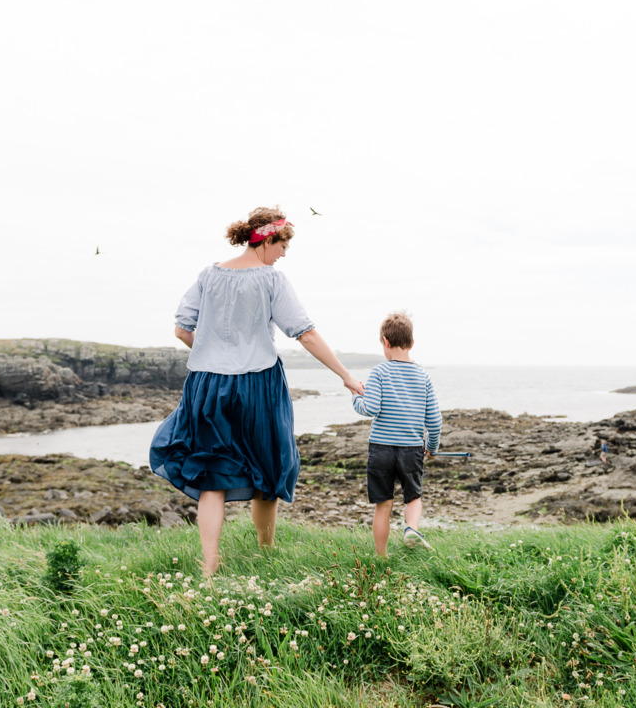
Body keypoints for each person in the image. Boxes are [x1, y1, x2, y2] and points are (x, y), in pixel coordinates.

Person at [150, 206, 364, 575]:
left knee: (210, 473)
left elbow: (183, 331)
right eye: (283, 246)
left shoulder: (208, 275)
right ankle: (266, 553)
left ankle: (209, 567)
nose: (283, 255)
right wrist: (345, 375)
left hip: (207, 385)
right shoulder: (271, 280)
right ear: (267, 240)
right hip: (258, 383)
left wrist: (214, 354)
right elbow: (306, 334)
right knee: (269, 466)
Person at [350, 312, 442, 557]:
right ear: (411, 343)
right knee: (413, 497)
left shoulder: (379, 373)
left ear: (385, 342)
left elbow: (369, 408)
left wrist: (356, 396)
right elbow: (434, 420)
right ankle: (411, 528)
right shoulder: (423, 376)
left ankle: (382, 556)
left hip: (380, 449)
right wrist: (432, 447)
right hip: (411, 449)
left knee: (384, 505)